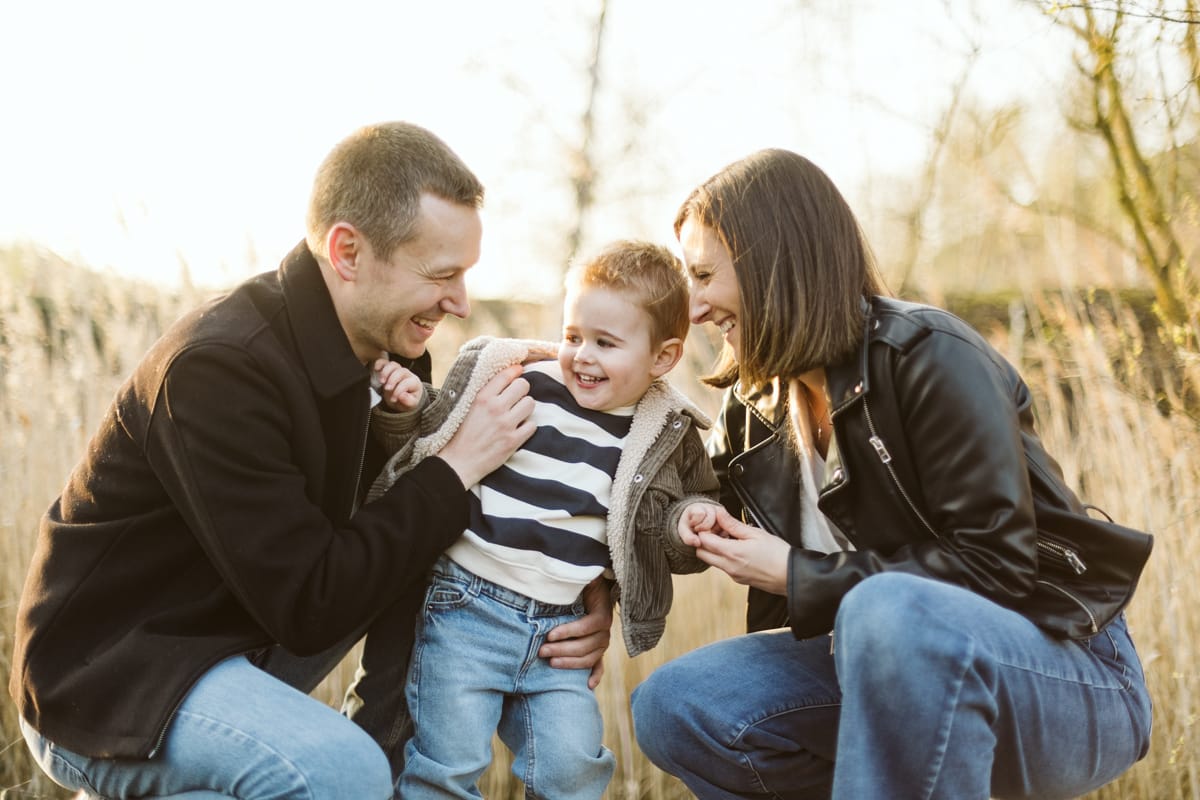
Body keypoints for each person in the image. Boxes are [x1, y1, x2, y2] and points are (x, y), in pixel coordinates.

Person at [8, 121, 614, 800]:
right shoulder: (221, 369)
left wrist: (577, 592)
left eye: (465, 274)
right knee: (337, 773)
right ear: (347, 251)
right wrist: (452, 466)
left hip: (238, 648)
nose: (461, 302)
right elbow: (311, 603)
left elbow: (419, 540)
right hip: (113, 681)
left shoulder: (391, 350)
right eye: (441, 275)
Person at [629, 148, 1155, 799]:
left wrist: (797, 575)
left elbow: (997, 567)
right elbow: (682, 508)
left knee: (886, 610)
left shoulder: (928, 356)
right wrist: (601, 404)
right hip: (867, 677)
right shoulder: (752, 408)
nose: (696, 306)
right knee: (675, 705)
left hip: (1068, 674)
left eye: (705, 274)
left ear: (774, 263)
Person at [355, 239, 720, 799]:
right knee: (446, 765)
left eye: (606, 343)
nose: (582, 356)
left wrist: (689, 521)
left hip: (561, 634)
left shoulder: (664, 433)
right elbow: (438, 433)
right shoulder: (523, 379)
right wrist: (406, 411)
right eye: (573, 336)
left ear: (664, 357)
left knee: (572, 766)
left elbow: (673, 514)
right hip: (465, 611)